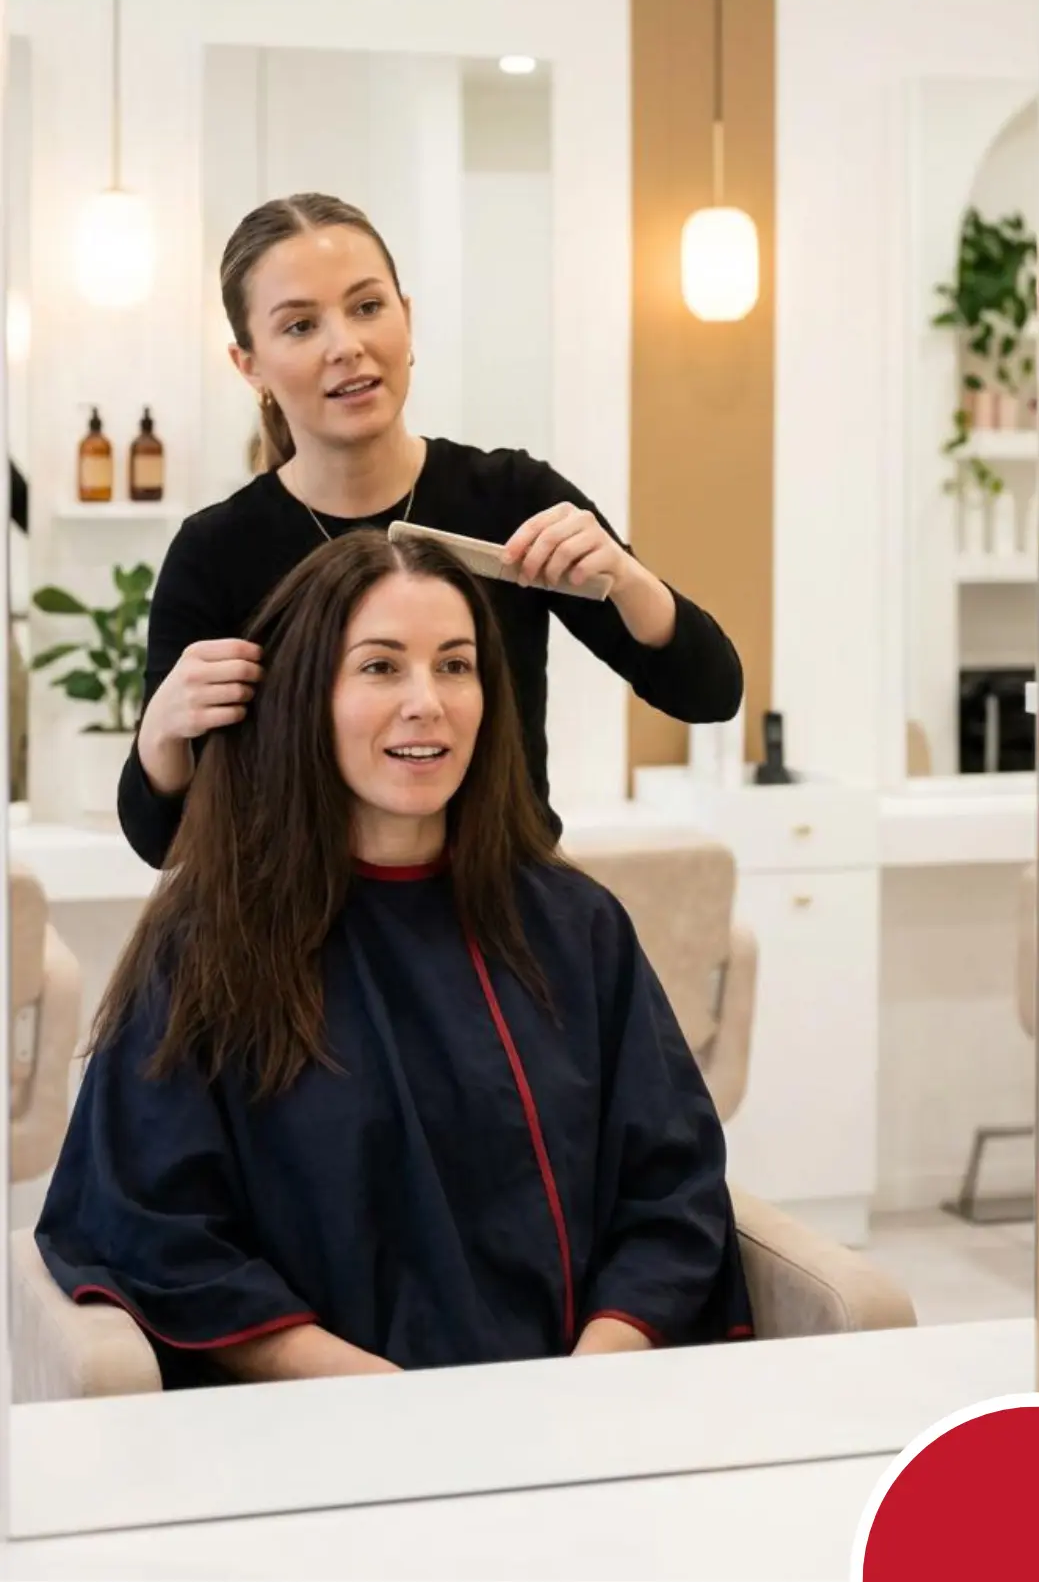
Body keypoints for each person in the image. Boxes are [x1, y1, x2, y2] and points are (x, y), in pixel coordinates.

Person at [38, 530, 753, 1388]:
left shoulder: (576, 928)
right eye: (380, 666)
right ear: (307, 696)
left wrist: (583, 1385)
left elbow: (670, 1193)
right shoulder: (212, 944)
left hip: (577, 1411)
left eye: (455, 666)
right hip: (326, 1424)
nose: (427, 702)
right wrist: (385, 1401)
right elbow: (160, 1234)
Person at [118, 192, 743, 869]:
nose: (346, 346)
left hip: (501, 909)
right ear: (250, 366)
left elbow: (709, 693)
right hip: (302, 926)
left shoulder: (511, 501)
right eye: (300, 326)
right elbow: (163, 844)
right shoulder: (216, 553)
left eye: (367, 307)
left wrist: (626, 579)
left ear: (407, 319)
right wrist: (163, 732)